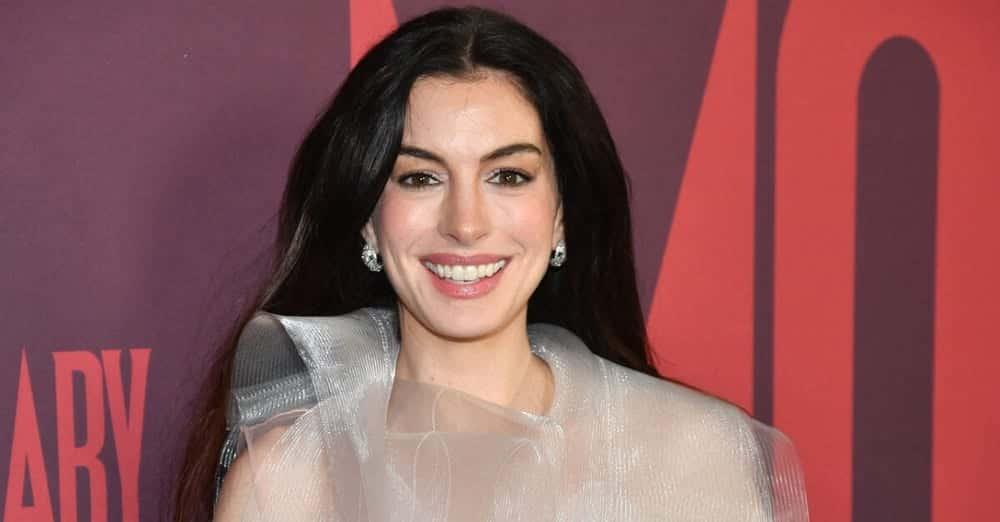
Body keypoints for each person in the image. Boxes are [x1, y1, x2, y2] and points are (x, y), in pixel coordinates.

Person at [173, 6, 808, 521]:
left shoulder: (697, 456)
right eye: (420, 178)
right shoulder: (292, 483)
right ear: (368, 215)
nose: (467, 223)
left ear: (561, 213)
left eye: (508, 175)